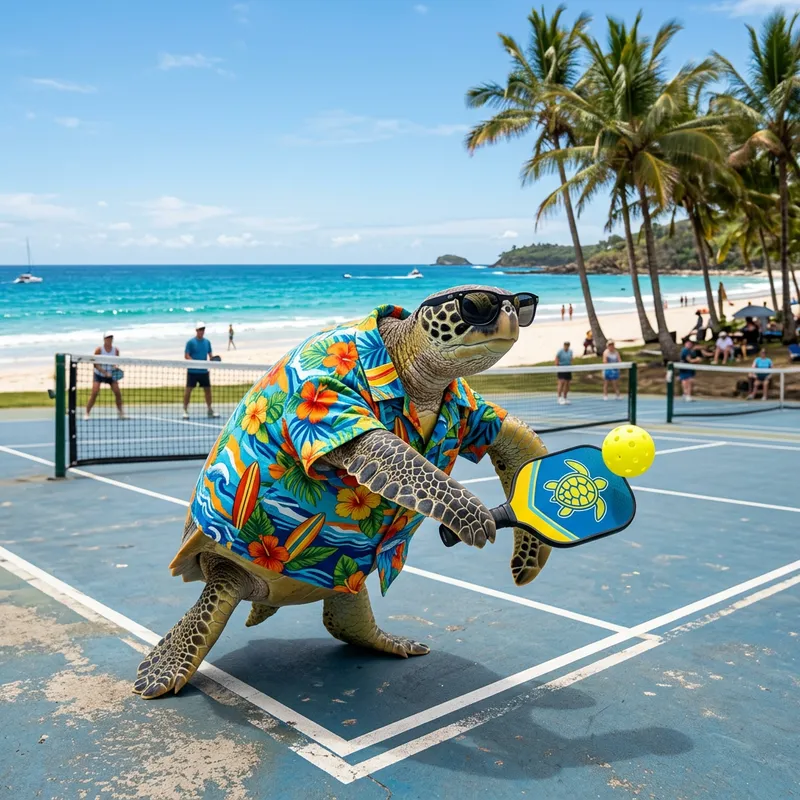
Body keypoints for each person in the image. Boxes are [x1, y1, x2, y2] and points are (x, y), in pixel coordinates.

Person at [84, 332, 126, 420]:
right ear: (104, 339)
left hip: (111, 375)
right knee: (94, 393)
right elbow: (95, 364)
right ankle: (87, 413)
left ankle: (120, 413)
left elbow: (115, 363)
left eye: (111, 338)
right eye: (108, 338)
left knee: (117, 393)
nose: (109, 339)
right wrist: (105, 373)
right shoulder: (99, 350)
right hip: (99, 374)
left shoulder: (116, 350)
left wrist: (115, 368)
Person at [184, 322, 220, 419]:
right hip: (192, 372)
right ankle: (185, 410)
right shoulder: (190, 342)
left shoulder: (207, 342)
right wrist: (195, 363)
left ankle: (209, 410)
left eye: (203, 329)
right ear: (196, 330)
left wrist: (212, 360)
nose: (202, 331)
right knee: (188, 391)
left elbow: (210, 355)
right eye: (200, 329)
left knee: (208, 391)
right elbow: (186, 356)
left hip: (203, 372)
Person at [679, 336, 702, 402]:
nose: (690, 344)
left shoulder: (691, 351)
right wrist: (697, 360)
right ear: (686, 343)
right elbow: (690, 360)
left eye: (691, 343)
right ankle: (687, 395)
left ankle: (685, 394)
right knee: (688, 382)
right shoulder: (685, 350)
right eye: (688, 343)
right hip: (685, 368)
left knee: (687, 381)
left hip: (689, 368)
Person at [555, 341, 573, 405]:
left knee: (567, 383)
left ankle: (565, 397)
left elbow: (571, 358)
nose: (566, 346)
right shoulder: (560, 351)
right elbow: (556, 358)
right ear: (564, 345)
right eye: (565, 345)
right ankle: (559, 398)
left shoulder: (570, 351)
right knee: (561, 382)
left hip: (568, 368)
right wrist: (557, 365)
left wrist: (571, 365)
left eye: (568, 345)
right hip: (561, 367)